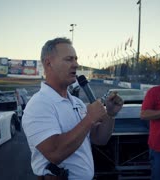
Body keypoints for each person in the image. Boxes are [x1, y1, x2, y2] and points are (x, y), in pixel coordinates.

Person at [22, 37, 123, 180]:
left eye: (76, 59)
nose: (76, 64)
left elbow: (99, 139)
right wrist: (89, 118)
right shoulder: (39, 105)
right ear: (48, 63)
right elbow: (55, 153)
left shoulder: (77, 102)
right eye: (69, 59)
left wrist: (110, 115)